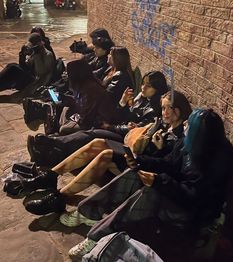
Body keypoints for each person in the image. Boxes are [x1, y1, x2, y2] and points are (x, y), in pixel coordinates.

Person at [49, 109, 233, 261]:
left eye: (189, 124)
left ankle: (95, 236)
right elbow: (168, 163)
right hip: (177, 193)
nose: (185, 125)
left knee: (150, 192)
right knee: (133, 174)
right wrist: (139, 161)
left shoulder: (219, 160)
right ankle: (85, 212)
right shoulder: (188, 145)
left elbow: (195, 197)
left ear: (199, 133)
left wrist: (158, 181)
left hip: (193, 213)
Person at [23, 90, 192, 216]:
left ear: (180, 109)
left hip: (144, 167)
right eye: (163, 108)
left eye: (169, 108)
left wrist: (159, 147)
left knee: (106, 155)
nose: (165, 112)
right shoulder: (165, 125)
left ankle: (59, 197)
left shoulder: (180, 137)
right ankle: (51, 175)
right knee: (99, 142)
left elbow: (166, 165)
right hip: (137, 155)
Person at [26, 71, 168, 166]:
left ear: (157, 88)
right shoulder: (141, 99)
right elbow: (122, 117)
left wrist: (109, 126)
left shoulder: (154, 110)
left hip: (125, 139)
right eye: (143, 83)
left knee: (92, 134)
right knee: (89, 131)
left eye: (148, 86)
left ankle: (51, 145)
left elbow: (133, 131)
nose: (143, 87)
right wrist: (123, 103)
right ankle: (50, 146)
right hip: (119, 128)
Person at [0, 33, 56, 99]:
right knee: (12, 66)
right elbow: (25, 67)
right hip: (31, 77)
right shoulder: (34, 53)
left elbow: (41, 74)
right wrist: (22, 56)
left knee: (13, 68)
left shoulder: (47, 55)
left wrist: (37, 57)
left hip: (36, 82)